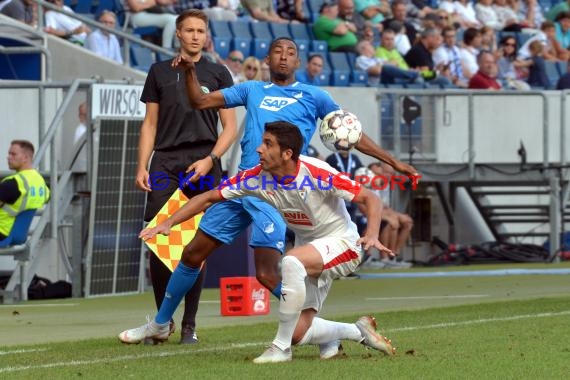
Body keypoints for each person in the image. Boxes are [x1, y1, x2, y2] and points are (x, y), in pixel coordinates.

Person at [119, 37, 417, 359]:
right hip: (247, 183)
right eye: (278, 51)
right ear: (267, 58)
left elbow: (350, 134)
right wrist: (190, 73)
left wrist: (393, 162)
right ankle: (161, 324)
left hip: (277, 193)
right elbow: (200, 102)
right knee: (192, 253)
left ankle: (307, 331)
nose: (284, 57)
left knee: (268, 273)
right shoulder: (251, 89)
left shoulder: (315, 96)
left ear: (298, 62)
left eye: (291, 53)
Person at [123, 122, 397, 363]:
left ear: (287, 153)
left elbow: (370, 198)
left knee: (290, 261)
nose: (259, 149)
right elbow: (208, 198)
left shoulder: (317, 172)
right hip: (310, 246)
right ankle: (356, 331)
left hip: (344, 243)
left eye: (267, 144)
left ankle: (279, 349)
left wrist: (372, 233)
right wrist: (168, 222)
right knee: (300, 334)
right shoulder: (256, 177)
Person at [134, 9, 237, 345]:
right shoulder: (158, 72)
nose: (195, 36)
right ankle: (162, 324)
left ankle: (189, 325)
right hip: (165, 162)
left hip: (204, 162)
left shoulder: (218, 72)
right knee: (158, 242)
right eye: (189, 30)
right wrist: (142, 165)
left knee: (196, 246)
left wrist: (211, 159)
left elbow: (230, 128)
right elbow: (150, 124)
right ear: (178, 34)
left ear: (206, 35)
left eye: (201, 30)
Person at [0, 140, 50, 242]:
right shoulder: (41, 183)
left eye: (13, 154)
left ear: (26, 158)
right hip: (18, 235)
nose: (8, 157)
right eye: (9, 154)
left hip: (3, 232)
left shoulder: (12, 184)